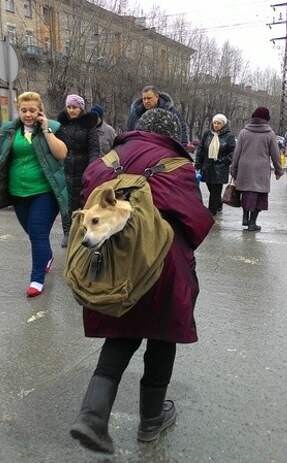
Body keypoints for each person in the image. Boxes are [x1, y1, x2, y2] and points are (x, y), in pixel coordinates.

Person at [69, 108, 214, 454]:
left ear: (137, 130)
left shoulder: (106, 161)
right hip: (164, 265)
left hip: (115, 265)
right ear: (172, 135)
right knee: (162, 338)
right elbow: (196, 221)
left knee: (121, 335)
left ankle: (92, 416)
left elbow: (85, 199)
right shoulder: (178, 166)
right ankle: (151, 421)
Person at [0, 91, 68, 297]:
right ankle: (47, 256)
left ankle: (36, 279)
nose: (28, 114)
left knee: (38, 233)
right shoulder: (10, 131)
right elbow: (2, 158)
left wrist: (46, 129)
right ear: (19, 111)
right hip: (18, 192)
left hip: (44, 192)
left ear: (39, 110)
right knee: (32, 233)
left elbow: (61, 154)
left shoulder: (51, 128)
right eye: (24, 110)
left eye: (32, 110)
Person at [230, 107, 283, 232]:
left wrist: (234, 169)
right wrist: (278, 170)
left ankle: (245, 216)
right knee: (259, 197)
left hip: (244, 168)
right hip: (261, 169)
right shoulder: (270, 134)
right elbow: (275, 154)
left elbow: (236, 153)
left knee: (246, 193)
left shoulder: (243, 132)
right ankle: (252, 223)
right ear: (266, 119)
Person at [57, 94, 100, 248]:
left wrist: (92, 169)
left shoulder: (89, 125)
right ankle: (67, 232)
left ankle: (83, 230)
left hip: (83, 169)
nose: (71, 110)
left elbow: (94, 149)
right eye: (69, 107)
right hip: (65, 168)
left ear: (81, 108)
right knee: (66, 203)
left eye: (74, 107)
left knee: (83, 202)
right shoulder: (60, 124)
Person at [194, 114, 236, 215]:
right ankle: (219, 203)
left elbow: (233, 152)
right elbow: (201, 149)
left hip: (220, 168)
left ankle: (211, 212)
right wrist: (198, 163)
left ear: (224, 124)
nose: (216, 125)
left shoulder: (229, 136)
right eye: (214, 123)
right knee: (210, 188)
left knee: (215, 190)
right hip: (207, 166)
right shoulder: (207, 134)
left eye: (219, 123)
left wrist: (224, 160)